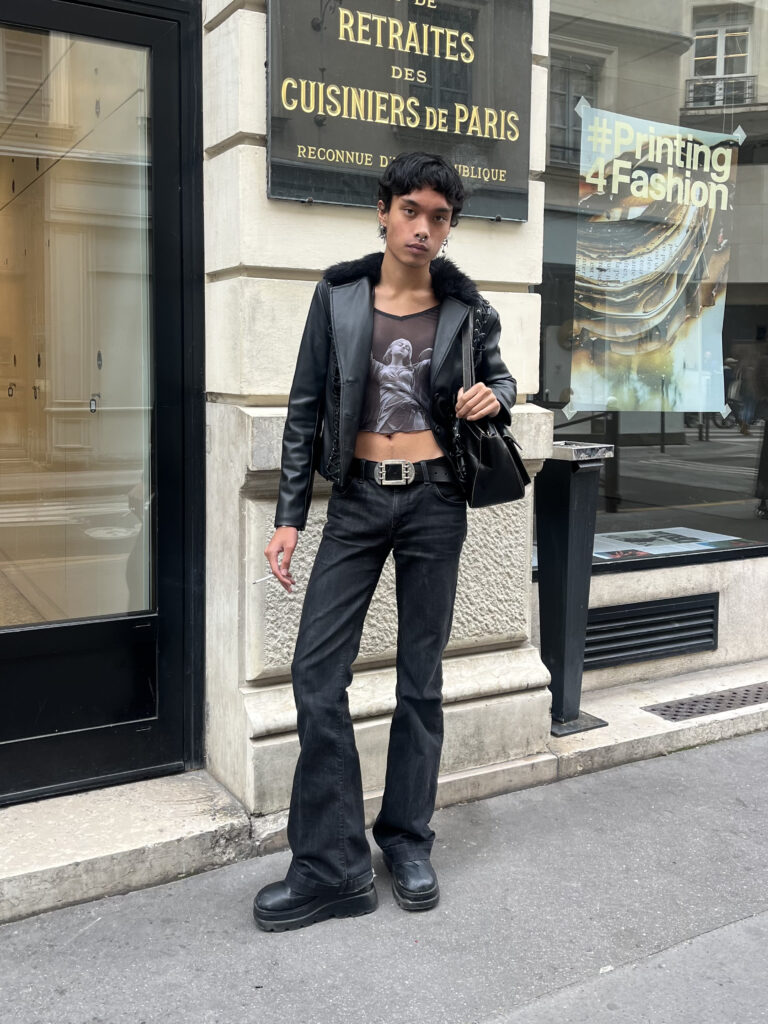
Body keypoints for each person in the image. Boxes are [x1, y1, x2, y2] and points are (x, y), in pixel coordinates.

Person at [253, 152, 517, 932]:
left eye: (439, 217)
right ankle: (333, 866)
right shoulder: (338, 298)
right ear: (382, 209)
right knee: (314, 674)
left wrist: (488, 395)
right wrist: (290, 516)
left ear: (449, 227)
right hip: (360, 501)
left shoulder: (467, 312)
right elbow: (305, 409)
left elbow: (505, 384)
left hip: (436, 502)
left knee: (420, 679)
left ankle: (406, 839)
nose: (424, 228)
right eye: (412, 210)